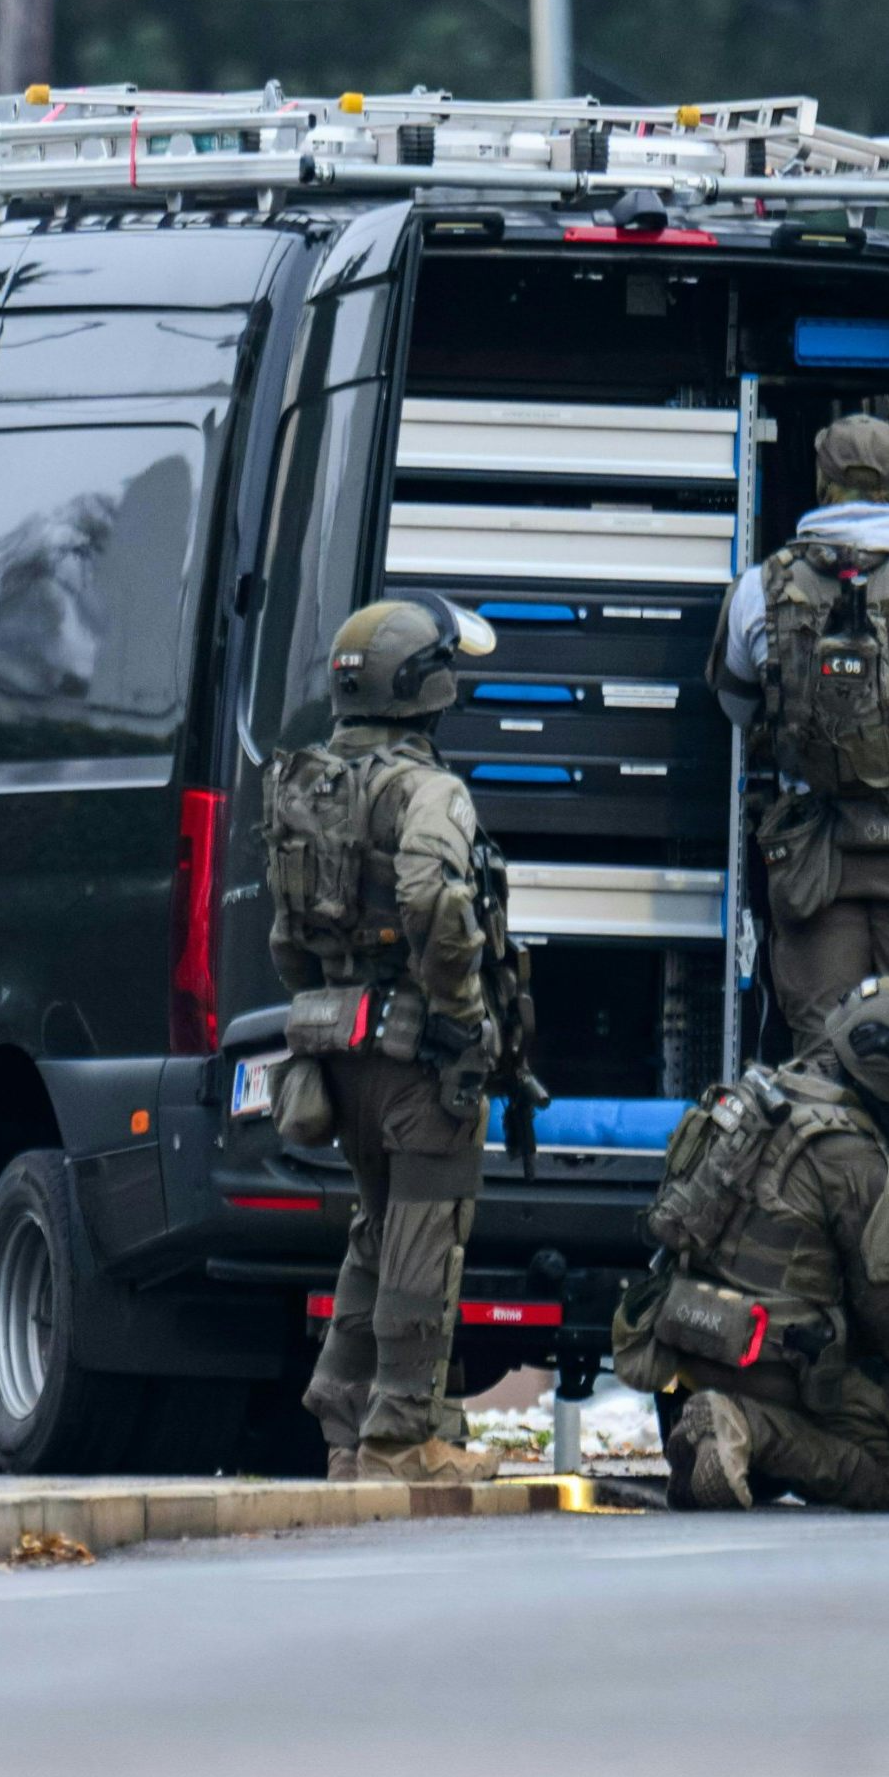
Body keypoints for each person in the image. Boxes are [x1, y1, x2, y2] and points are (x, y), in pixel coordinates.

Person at [263, 593, 512, 1484]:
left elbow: (285, 936)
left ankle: (343, 1414)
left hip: (339, 1048)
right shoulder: (428, 789)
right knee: (422, 1235)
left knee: (374, 1231)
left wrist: (331, 1000)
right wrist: (459, 1011)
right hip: (421, 1055)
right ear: (426, 686)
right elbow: (432, 897)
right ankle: (402, 1437)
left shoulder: (308, 781)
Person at [609, 975, 889, 1512]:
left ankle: (722, 1437)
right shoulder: (855, 1158)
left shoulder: (768, 1096)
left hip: (692, 1331)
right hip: (772, 1358)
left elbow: (786, 1238)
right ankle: (745, 1428)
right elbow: (884, 1312)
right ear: (888, 1072)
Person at [711, 413, 889, 1022]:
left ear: (821, 480)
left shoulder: (758, 586)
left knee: (823, 1058)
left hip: (815, 859)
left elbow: (737, 707)